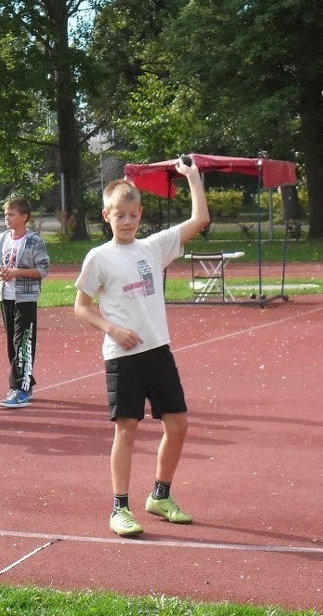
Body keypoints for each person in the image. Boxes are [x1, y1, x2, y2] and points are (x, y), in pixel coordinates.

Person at [74, 157, 210, 537]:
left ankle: (160, 496)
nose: (128, 221)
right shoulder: (98, 257)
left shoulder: (154, 248)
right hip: (123, 357)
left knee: (178, 424)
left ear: (140, 213)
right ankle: (119, 508)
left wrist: (193, 178)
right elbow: (81, 307)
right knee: (127, 429)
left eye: (134, 214)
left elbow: (199, 220)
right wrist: (111, 329)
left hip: (157, 350)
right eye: (120, 215)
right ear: (106, 215)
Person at [0, 197, 50, 408]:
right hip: (5, 296)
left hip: (26, 298)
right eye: (5, 214)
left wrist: (17, 273)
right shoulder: (0, 239)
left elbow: (42, 270)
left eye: (11, 214)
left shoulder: (34, 241)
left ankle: (19, 389)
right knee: (11, 345)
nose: (7, 218)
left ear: (24, 217)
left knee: (23, 343)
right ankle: (25, 381)